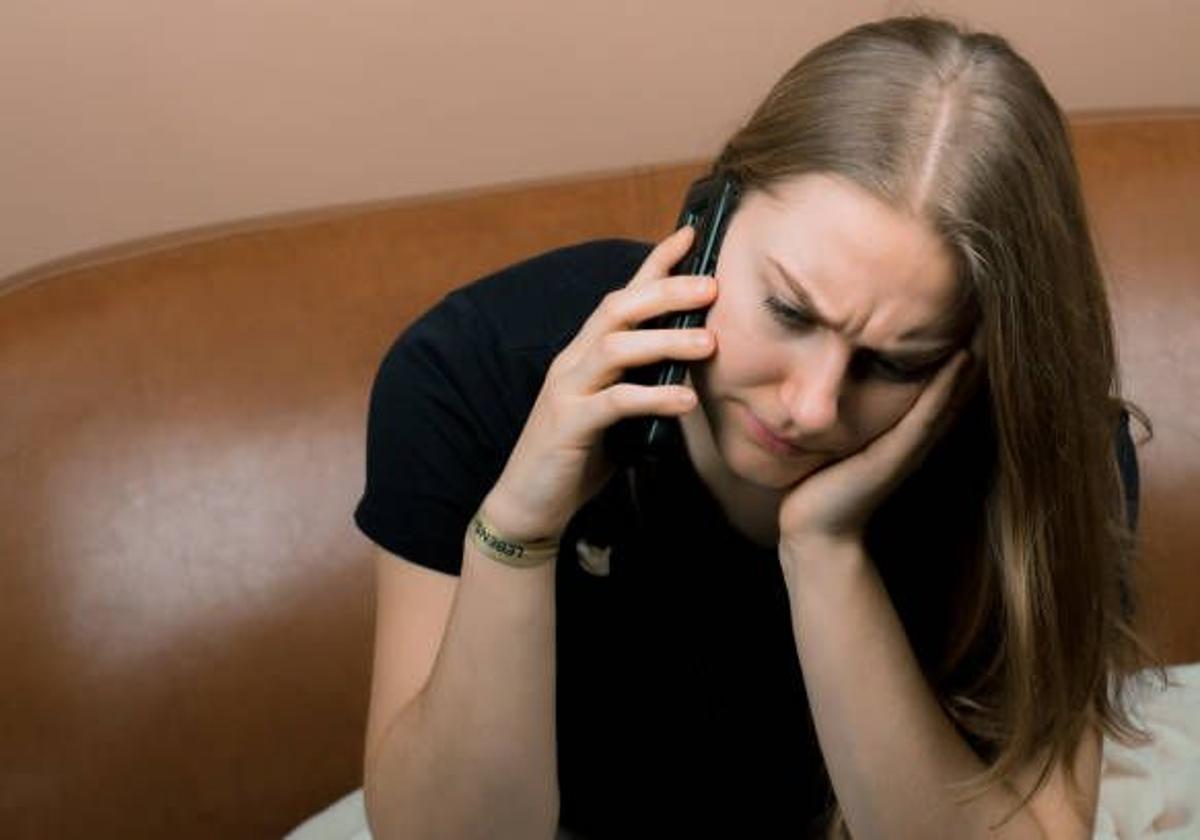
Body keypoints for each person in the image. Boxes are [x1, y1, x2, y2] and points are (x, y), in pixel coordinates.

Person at [354, 14, 1151, 839]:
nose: (810, 407)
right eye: (788, 309)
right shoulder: (475, 371)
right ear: (711, 217)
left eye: (894, 364)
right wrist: (516, 532)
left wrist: (827, 557)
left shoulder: (1048, 449)